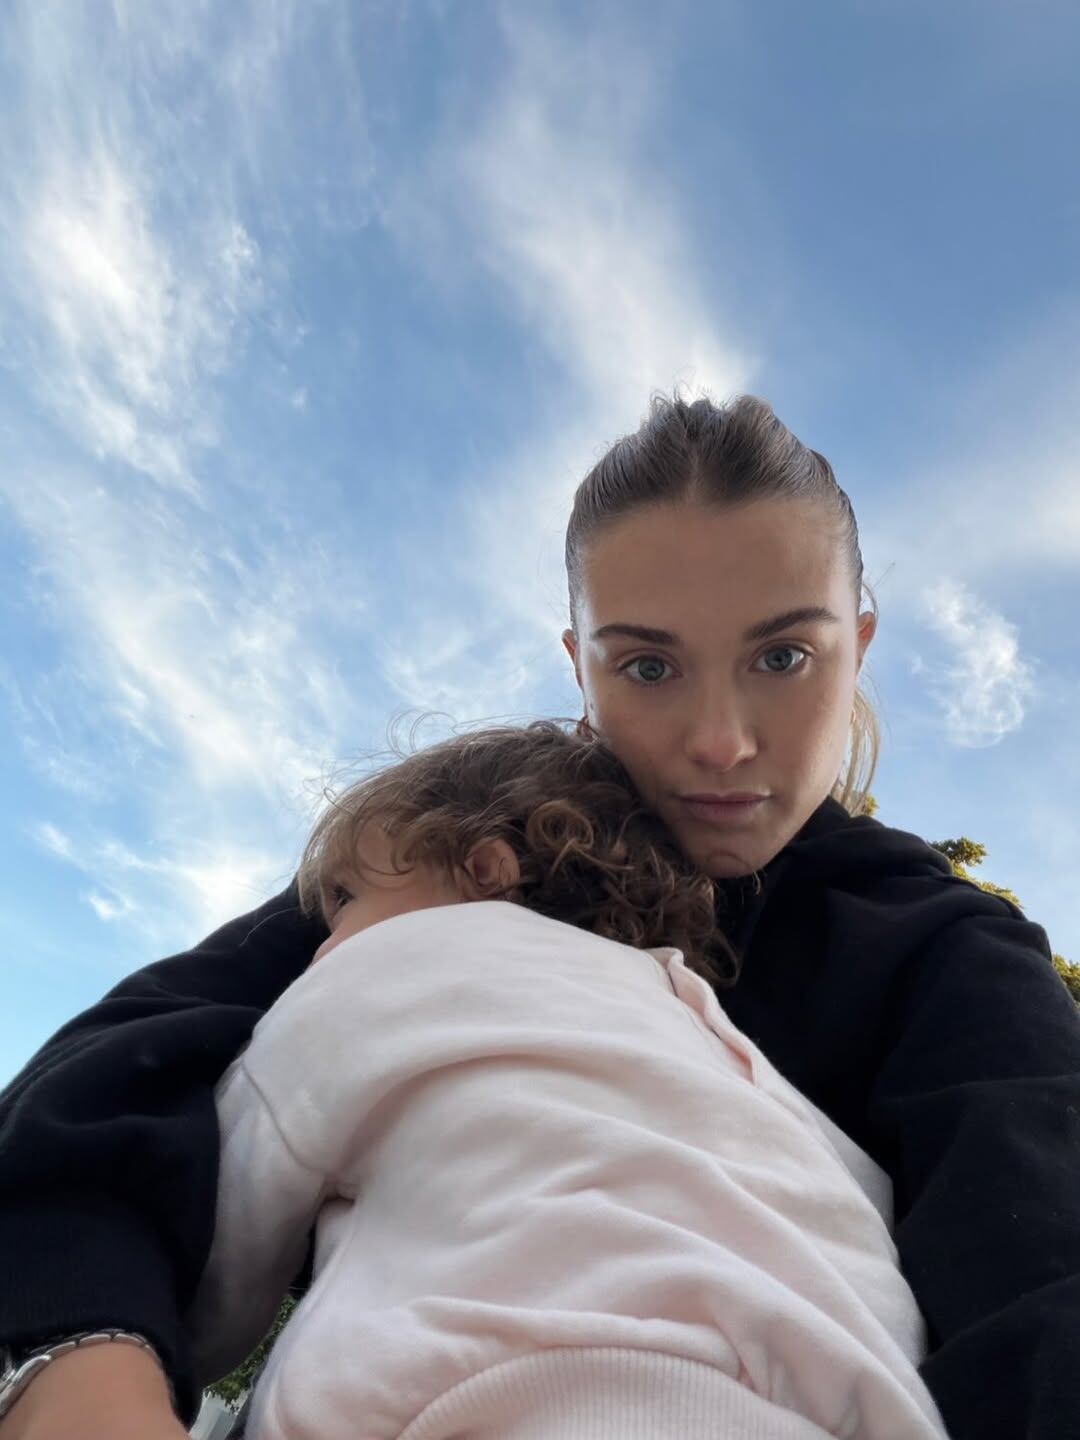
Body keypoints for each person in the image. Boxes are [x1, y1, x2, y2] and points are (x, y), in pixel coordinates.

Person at [1, 395, 1078, 1440]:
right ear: (582, 665)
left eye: (783, 656)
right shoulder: (459, 863)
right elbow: (105, 1086)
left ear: (861, 641)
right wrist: (79, 1365)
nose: (718, 740)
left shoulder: (944, 949)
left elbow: (1044, 1277)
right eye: (648, 665)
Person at [185, 722, 949, 1440]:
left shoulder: (369, 977)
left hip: (475, 1386)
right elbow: (846, 1204)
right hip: (834, 1392)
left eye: (346, 900)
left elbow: (217, 1254)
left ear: (483, 869)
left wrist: (182, 1352)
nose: (324, 946)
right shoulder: (689, 1012)